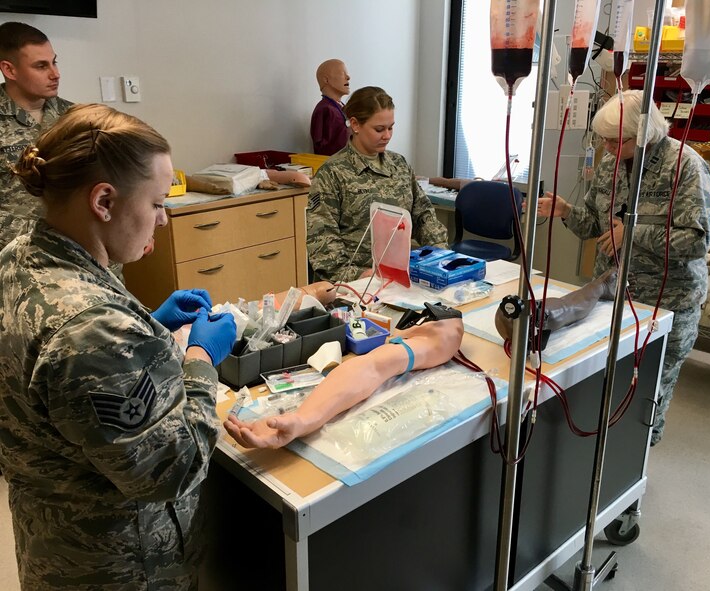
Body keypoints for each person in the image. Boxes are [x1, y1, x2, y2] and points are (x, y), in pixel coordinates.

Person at [0, 103, 238, 589]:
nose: (164, 220)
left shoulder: (21, 254)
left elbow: (64, 383)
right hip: (121, 561)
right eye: (155, 203)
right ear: (104, 201)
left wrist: (145, 324)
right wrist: (200, 359)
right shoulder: (89, 328)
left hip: (53, 536)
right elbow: (173, 467)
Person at [536, 90, 710, 446]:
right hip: (612, 297)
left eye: (617, 141)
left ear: (645, 132)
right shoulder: (610, 164)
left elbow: (697, 241)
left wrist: (631, 233)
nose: (609, 148)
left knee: (649, 392)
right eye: (604, 140)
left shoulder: (685, 166)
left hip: (667, 303)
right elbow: (594, 227)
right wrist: (567, 211)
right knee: (608, 384)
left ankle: (634, 471)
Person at [224, 316, 464, 449]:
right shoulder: (438, 338)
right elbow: (370, 368)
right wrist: (303, 418)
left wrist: (304, 419)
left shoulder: (444, 334)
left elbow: (371, 368)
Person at [307, 86, 449, 283]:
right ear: (355, 125)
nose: (387, 136)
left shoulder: (398, 165)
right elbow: (322, 242)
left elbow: (423, 215)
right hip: (353, 287)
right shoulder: (332, 174)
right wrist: (362, 277)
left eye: (391, 127)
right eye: (379, 129)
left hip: (398, 280)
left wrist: (441, 256)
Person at [0, 22, 73, 251]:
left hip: (82, 253)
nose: (55, 74)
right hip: (19, 259)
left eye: (54, 62)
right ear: (9, 70)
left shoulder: (74, 116)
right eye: (41, 66)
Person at [310, 59, 351, 156]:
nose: (348, 77)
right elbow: (321, 146)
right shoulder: (324, 109)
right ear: (326, 80)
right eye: (342, 73)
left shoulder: (342, 107)